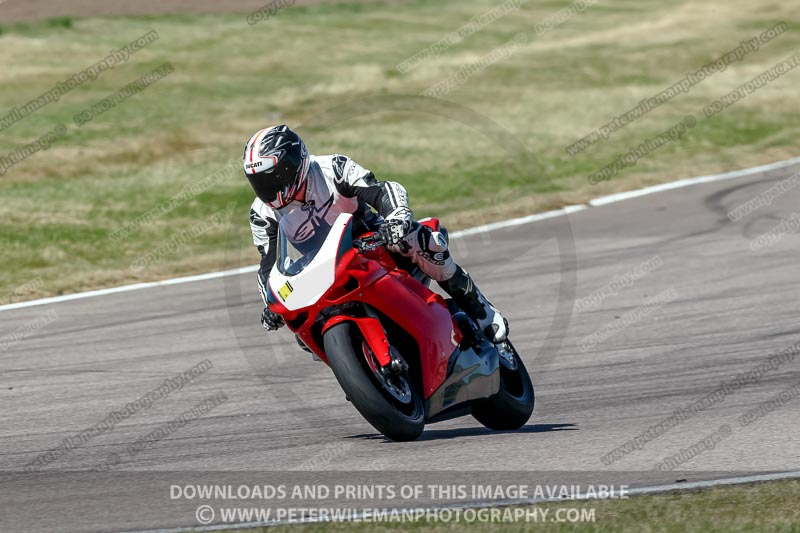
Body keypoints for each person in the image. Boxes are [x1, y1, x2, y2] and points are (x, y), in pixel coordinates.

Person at [245, 125, 508, 343]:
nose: (267, 188)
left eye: (272, 177)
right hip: (318, 271)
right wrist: (271, 304)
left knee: (423, 240)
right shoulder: (262, 214)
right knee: (300, 329)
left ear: (292, 165)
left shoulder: (331, 168)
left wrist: (396, 218)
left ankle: (480, 309)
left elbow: (382, 191)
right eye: (259, 181)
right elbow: (268, 267)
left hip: (371, 243)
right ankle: (358, 368)